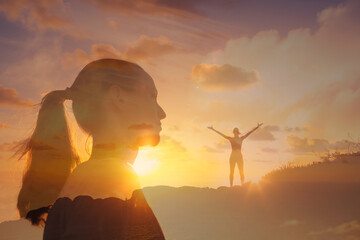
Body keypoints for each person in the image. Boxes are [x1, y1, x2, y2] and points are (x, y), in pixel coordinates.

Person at [16, 59, 167, 239]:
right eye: (152, 96)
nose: (162, 113)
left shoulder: (97, 182)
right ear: (118, 96)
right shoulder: (106, 189)